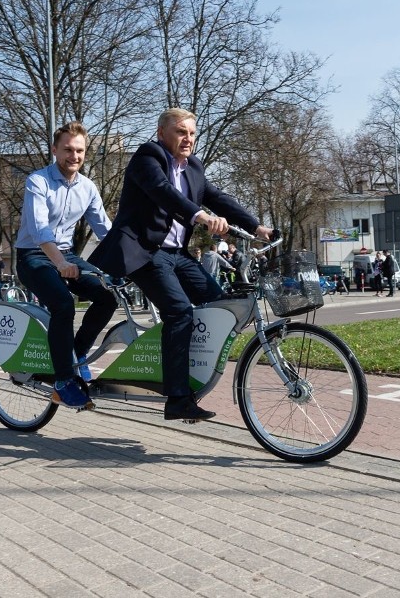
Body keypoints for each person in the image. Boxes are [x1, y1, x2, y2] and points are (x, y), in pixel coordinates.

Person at [89, 107, 274, 421]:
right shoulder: (147, 157)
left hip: (178, 254)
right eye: (180, 132)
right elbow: (162, 193)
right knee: (179, 312)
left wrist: (257, 227)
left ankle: (188, 369)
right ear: (162, 134)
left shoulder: (194, 167)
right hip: (145, 252)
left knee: (219, 305)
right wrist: (199, 216)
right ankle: (177, 398)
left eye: (191, 133)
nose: (188, 139)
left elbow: (217, 197)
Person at [14, 121, 117, 408]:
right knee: (63, 305)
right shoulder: (38, 181)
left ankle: (76, 353)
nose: (74, 156)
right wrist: (59, 263)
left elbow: (106, 231)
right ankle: (63, 381)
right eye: (68, 150)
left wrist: (134, 261)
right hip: (33, 255)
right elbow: (39, 231)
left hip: (66, 254)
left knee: (107, 297)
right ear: (55, 150)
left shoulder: (87, 187)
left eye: (80, 151)